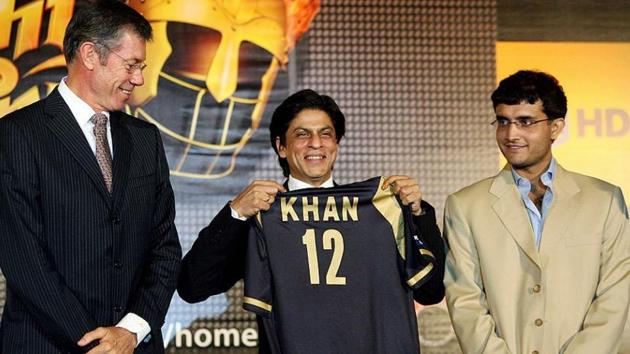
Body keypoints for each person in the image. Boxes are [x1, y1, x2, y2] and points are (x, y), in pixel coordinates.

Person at [178, 89, 445, 351]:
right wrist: (235, 213)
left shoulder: (381, 213)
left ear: (336, 145)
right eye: (302, 134)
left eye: (325, 133)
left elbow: (431, 291)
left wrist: (417, 213)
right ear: (281, 146)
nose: (316, 143)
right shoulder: (262, 217)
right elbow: (192, 285)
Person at [0, 1, 181, 353]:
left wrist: (130, 331)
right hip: (46, 345)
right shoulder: (17, 135)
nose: (139, 79)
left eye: (141, 67)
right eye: (131, 65)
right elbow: (25, 260)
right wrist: (96, 342)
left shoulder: (145, 139)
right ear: (90, 55)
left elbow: (165, 248)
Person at [443, 70, 630, 354]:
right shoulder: (466, 205)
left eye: (525, 122)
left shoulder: (604, 201)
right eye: (503, 121)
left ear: (556, 127)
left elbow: (614, 298)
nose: (510, 134)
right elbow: (465, 302)